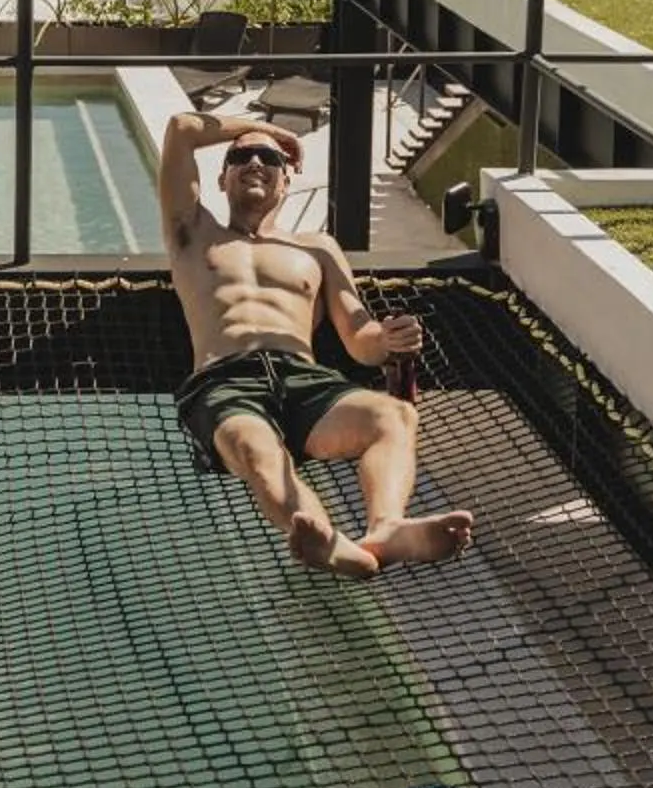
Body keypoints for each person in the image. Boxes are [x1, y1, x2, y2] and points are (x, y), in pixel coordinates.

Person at [157, 111, 475, 579]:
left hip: (305, 379)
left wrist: (386, 341)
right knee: (255, 449)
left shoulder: (317, 248)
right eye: (241, 155)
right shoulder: (192, 232)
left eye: (269, 157)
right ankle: (326, 540)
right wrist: (279, 133)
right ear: (222, 178)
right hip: (225, 381)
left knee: (395, 415)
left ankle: (386, 526)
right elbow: (182, 128)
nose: (255, 162)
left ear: (287, 179)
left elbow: (359, 341)